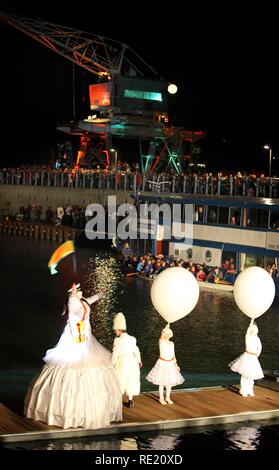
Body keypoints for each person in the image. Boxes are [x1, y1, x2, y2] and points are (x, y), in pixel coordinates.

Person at [24, 283, 122, 429]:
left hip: (85, 335)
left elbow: (91, 299)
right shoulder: (73, 301)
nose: (81, 292)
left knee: (91, 362)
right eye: (79, 292)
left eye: (80, 291)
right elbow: (71, 299)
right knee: (71, 363)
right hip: (73, 336)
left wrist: (102, 293)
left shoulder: (82, 301)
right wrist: (73, 291)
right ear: (74, 294)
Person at [146, 324, 184, 405]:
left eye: (168, 334)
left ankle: (168, 397)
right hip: (162, 363)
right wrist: (166, 327)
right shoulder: (161, 342)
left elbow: (173, 355)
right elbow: (161, 336)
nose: (167, 336)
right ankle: (161, 398)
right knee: (162, 382)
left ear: (170, 335)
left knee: (169, 382)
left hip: (170, 364)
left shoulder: (172, 343)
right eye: (166, 334)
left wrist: (176, 365)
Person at [112, 312, 142, 408]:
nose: (115, 332)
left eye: (116, 330)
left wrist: (111, 363)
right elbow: (136, 350)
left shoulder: (117, 340)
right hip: (132, 361)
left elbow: (115, 353)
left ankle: (117, 402)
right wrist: (139, 360)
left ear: (118, 329)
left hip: (123, 361)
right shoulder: (132, 339)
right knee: (131, 379)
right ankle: (130, 401)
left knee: (120, 380)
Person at [229, 322, 264, 397]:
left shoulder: (257, 338)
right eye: (252, 330)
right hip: (247, 356)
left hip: (253, 357)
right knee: (245, 374)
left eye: (253, 330)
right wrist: (251, 323)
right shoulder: (247, 336)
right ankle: (243, 391)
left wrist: (256, 356)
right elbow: (248, 331)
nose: (252, 331)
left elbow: (260, 348)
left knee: (251, 375)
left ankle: (250, 390)